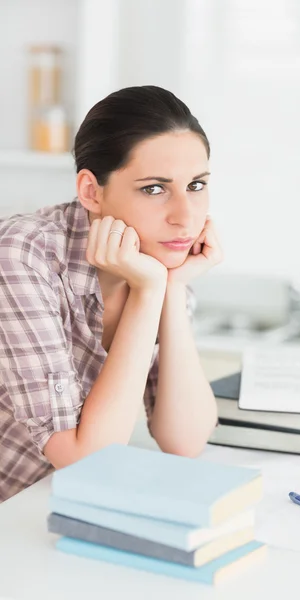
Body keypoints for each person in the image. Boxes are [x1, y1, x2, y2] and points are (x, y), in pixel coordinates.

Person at [0, 85, 223, 503]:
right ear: (91, 192)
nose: (185, 217)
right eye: (154, 188)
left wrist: (168, 289)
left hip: (56, 509)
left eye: (196, 185)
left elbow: (186, 441)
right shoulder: (24, 253)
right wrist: (149, 291)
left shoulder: (157, 263)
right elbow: (84, 458)